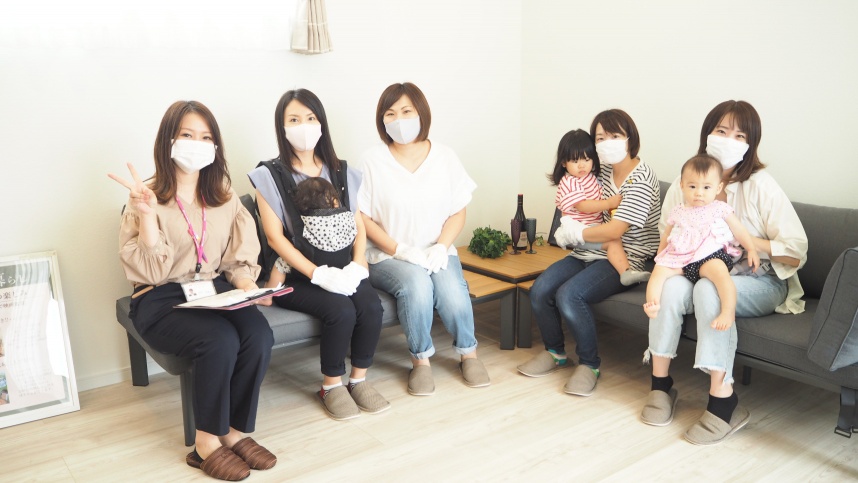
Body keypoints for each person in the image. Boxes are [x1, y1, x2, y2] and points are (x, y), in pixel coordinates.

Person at [110, 101, 276, 481]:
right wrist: (148, 216)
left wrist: (248, 288)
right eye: (187, 135)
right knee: (218, 340)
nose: (196, 143)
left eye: (205, 137)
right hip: (159, 296)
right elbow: (150, 271)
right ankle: (205, 444)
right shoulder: (145, 196)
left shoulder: (223, 195)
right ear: (169, 140)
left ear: (215, 146)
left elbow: (238, 259)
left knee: (258, 334)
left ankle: (233, 432)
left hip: (213, 288)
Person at [642, 100, 808, 446]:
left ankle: (723, 401)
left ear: (750, 144)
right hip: (697, 269)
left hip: (760, 279)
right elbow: (667, 234)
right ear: (707, 134)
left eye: (739, 135)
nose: (729, 140)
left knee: (710, 289)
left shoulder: (760, 185)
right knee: (670, 289)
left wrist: (743, 242)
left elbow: (796, 252)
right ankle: (661, 385)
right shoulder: (688, 180)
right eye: (721, 131)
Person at [248, 89, 388, 421]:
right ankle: (331, 385)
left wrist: (358, 264)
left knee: (370, 306)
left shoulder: (342, 172)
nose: (304, 126)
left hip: (344, 268)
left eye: (310, 118)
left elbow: (357, 224)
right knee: (340, 310)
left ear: (321, 123)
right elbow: (275, 237)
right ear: (282, 127)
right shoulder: (269, 176)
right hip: (297, 276)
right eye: (294, 119)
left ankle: (359, 380)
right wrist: (317, 274)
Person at [357, 82, 489, 396]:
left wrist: (442, 246)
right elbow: (362, 217)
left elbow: (458, 211)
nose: (399, 120)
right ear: (382, 120)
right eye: (390, 114)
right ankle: (421, 361)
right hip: (388, 255)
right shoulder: (372, 160)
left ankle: (468, 354)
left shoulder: (445, 156)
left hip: (435, 250)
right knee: (416, 286)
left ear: (421, 114)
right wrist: (398, 248)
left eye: (407, 111)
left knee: (453, 294)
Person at [518, 109, 660, 398]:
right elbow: (576, 192)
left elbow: (615, 231)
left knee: (569, 295)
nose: (607, 143)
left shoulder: (642, 179)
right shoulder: (602, 169)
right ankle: (556, 353)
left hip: (626, 257)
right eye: (600, 138)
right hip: (587, 252)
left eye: (615, 135)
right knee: (540, 289)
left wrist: (576, 234)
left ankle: (589, 364)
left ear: (630, 138)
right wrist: (577, 233)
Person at [643, 154, 760, 327]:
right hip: (681, 259)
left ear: (718, 188)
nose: (699, 193)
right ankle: (652, 304)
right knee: (658, 272)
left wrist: (751, 249)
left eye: (706, 187)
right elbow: (667, 235)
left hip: (709, 256)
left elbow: (739, 230)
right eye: (692, 186)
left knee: (721, 276)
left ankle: (728, 312)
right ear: (682, 185)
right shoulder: (677, 211)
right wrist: (660, 256)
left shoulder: (719, 208)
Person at [549, 128, 651, 286]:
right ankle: (626, 272)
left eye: (586, 159)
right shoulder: (570, 181)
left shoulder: (592, 177)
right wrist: (609, 203)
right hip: (577, 230)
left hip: (590, 230)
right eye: (575, 161)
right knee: (613, 241)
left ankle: (626, 272)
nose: (581, 165)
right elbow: (583, 206)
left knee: (613, 241)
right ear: (563, 163)